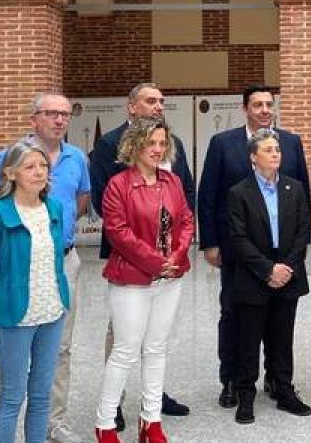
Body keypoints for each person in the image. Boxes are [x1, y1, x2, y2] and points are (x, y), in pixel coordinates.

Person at [0, 92, 89, 443]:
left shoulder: (75, 161)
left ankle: (52, 425)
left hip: (57, 281)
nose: (59, 120)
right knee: (13, 380)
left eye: (65, 114)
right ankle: (5, 426)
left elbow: (81, 201)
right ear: (34, 119)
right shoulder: (5, 166)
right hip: (13, 290)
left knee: (56, 359)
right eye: (51, 113)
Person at [89, 82, 194, 430]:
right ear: (132, 107)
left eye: (162, 101)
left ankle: (153, 411)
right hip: (130, 261)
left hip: (169, 266)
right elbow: (112, 213)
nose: (158, 106)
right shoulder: (109, 147)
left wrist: (176, 254)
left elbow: (185, 205)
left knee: (157, 343)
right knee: (123, 340)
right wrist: (151, 258)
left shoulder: (172, 157)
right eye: (151, 100)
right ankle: (112, 409)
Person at [197, 85, 310, 407]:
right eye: (257, 105)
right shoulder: (224, 143)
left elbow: (302, 195)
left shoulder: (290, 142)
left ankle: (278, 380)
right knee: (234, 315)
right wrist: (210, 242)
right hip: (237, 250)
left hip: (284, 252)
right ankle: (232, 380)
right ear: (245, 108)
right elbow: (209, 195)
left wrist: (294, 257)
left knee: (280, 317)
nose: (263, 110)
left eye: (268, 104)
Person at [227, 129, 311, 424]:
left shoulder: (295, 188)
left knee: (282, 338)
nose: (275, 153)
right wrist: (267, 269)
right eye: (268, 149)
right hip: (254, 274)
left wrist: (286, 268)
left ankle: (285, 391)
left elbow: (304, 232)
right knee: (249, 339)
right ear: (253, 157)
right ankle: (246, 396)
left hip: (288, 272)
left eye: (277, 148)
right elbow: (238, 239)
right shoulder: (239, 192)